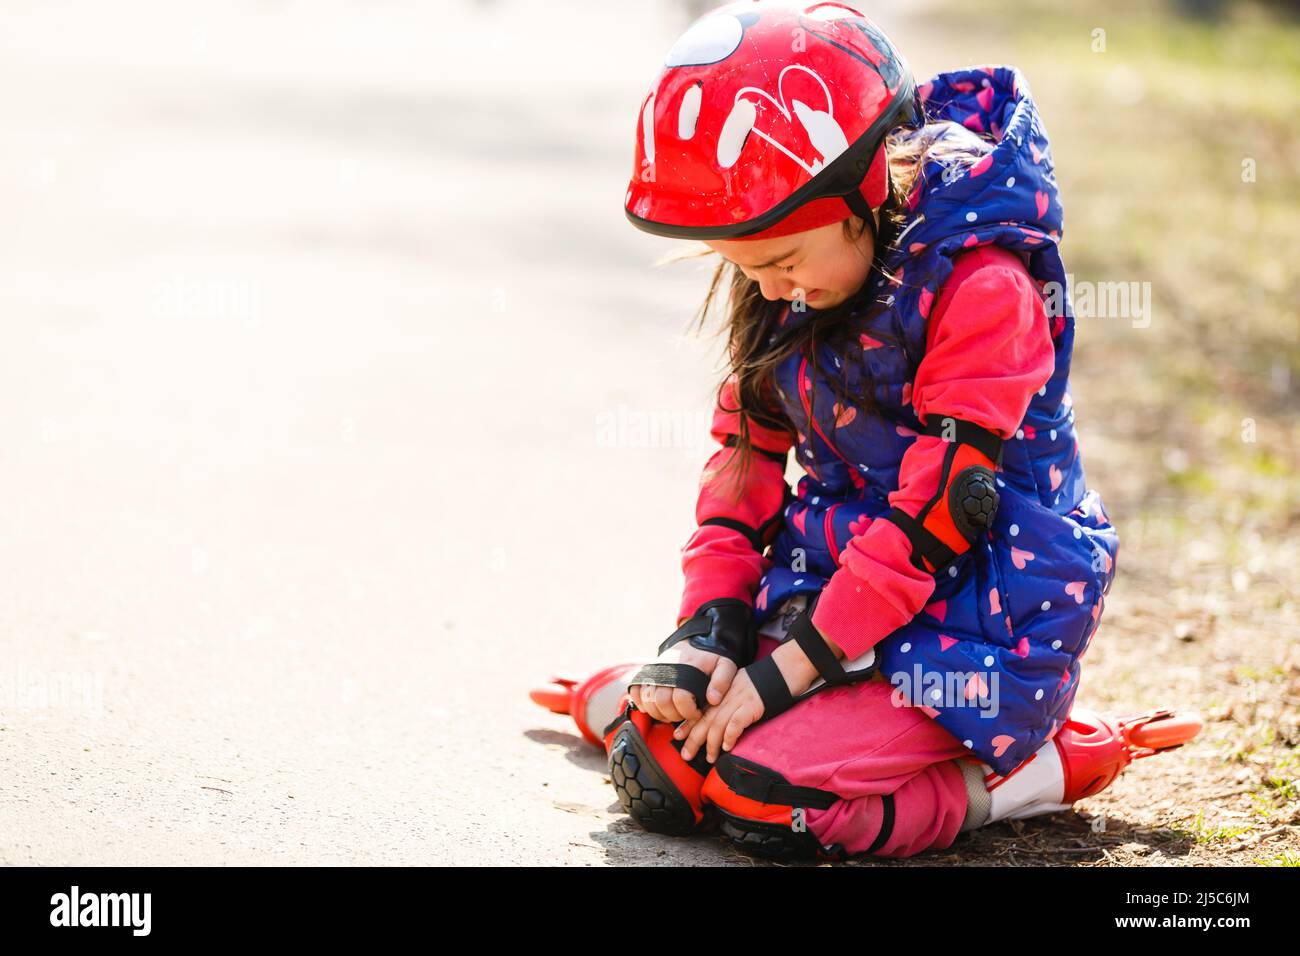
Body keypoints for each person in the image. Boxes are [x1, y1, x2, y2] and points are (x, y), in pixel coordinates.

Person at [531, 0, 1201, 861]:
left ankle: (1033, 769)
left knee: (765, 798)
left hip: (977, 621)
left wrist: (786, 671)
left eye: (780, 263)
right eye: (746, 268)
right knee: (660, 764)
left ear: (870, 185)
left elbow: (939, 519)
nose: (768, 291)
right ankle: (660, 696)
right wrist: (708, 634)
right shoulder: (791, 287)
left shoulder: (984, 288)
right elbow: (740, 473)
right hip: (837, 594)